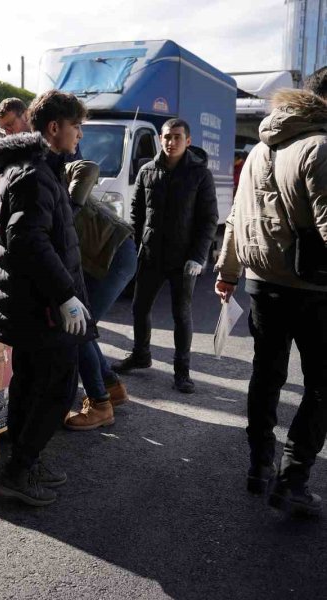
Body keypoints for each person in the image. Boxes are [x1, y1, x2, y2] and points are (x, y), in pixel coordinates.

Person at [215, 82, 327, 517]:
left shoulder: (261, 150)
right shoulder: (319, 147)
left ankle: (258, 465)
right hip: (314, 288)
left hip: (262, 282)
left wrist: (227, 273)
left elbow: (235, 219)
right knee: (321, 385)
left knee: (267, 375)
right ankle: (292, 480)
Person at [0, 90, 95, 507]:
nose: (79, 135)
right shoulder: (33, 173)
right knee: (55, 388)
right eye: (76, 127)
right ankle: (17, 471)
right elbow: (28, 240)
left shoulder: (36, 167)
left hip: (31, 305)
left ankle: (27, 460)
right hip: (40, 307)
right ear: (54, 128)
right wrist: (65, 296)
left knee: (30, 385)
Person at [112, 118, 219, 393]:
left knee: (181, 315)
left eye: (178, 137)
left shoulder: (199, 173)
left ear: (188, 141)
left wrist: (198, 256)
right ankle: (140, 355)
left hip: (184, 261)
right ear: (161, 138)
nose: (172, 142)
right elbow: (136, 213)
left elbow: (209, 219)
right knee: (139, 308)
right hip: (150, 254)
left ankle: (182, 372)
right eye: (167, 137)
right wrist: (132, 247)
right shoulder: (147, 170)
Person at [63, 161, 137, 430]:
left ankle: (100, 404)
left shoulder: (46, 164)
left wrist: (69, 210)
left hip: (114, 252)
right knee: (81, 326)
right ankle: (110, 386)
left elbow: (89, 168)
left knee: (77, 329)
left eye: (9, 126)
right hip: (98, 258)